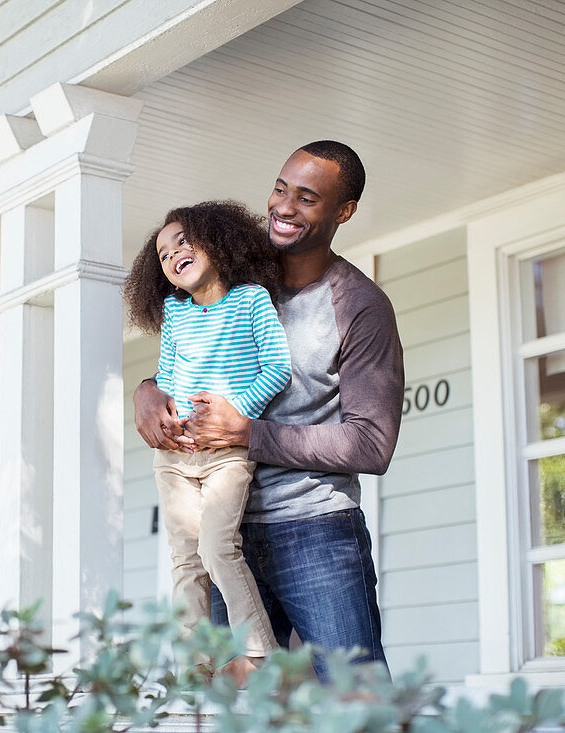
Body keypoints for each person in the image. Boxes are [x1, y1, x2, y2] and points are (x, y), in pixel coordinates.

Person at [133, 141, 404, 683]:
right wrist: (146, 392)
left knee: (356, 701)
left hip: (314, 531)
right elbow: (191, 364)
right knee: (238, 702)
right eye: (281, 189)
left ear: (343, 211)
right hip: (222, 527)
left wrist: (249, 433)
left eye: (307, 198)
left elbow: (371, 444)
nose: (283, 207)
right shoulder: (231, 274)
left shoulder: (359, 305)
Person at [123, 201, 292, 686]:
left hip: (226, 454)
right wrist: (168, 419)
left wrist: (235, 413)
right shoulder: (176, 313)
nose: (173, 253)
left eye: (183, 241)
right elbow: (170, 376)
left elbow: (277, 368)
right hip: (175, 457)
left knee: (219, 549)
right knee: (185, 561)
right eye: (162, 253)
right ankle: (192, 668)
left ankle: (260, 654)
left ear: (218, 243)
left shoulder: (252, 300)